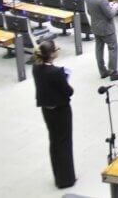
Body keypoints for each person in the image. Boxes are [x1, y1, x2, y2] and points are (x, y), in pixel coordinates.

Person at [32, 40, 75, 189]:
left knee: (54, 141)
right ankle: (66, 179)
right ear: (52, 54)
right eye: (57, 49)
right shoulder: (56, 72)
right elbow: (68, 91)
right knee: (65, 142)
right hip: (60, 110)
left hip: (46, 109)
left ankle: (58, 175)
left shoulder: (36, 68)